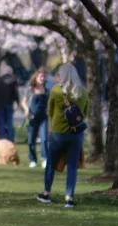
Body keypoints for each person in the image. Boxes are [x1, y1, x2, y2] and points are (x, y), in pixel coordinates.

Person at [37, 63, 88, 208]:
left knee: (51, 164)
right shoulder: (83, 92)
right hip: (76, 134)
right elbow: (85, 112)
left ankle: (46, 193)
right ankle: (69, 198)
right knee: (72, 167)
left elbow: (50, 111)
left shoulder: (56, 91)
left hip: (58, 133)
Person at [21, 68, 49, 168]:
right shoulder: (30, 90)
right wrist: (26, 109)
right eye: (40, 77)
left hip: (44, 118)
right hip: (32, 118)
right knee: (31, 140)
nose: (42, 78)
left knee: (44, 139)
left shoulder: (46, 90)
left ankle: (45, 159)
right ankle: (32, 160)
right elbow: (23, 102)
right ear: (36, 78)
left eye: (43, 77)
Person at [0, 64, 19, 141]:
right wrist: (17, 102)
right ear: (11, 72)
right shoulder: (13, 80)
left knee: (1, 121)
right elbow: (15, 93)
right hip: (9, 103)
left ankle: (2, 137)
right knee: (9, 121)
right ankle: (10, 138)